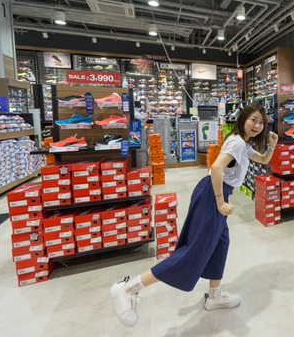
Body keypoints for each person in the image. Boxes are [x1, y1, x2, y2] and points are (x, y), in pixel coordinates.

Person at [110, 103, 278, 327]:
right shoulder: (238, 142)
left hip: (214, 192)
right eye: (253, 120)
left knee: (220, 244)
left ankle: (214, 296)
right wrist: (220, 201)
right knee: (193, 251)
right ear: (243, 119)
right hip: (213, 195)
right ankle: (128, 288)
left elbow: (264, 160)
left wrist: (271, 146)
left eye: (261, 122)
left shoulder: (243, 143)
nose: (257, 125)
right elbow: (217, 168)